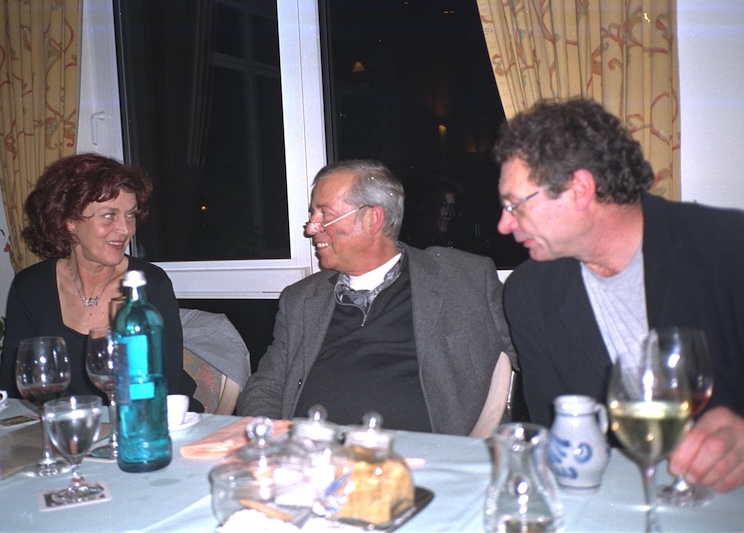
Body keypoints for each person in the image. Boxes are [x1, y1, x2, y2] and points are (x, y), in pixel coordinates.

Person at [495, 98, 744, 492]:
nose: (503, 224)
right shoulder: (530, 293)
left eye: (515, 205)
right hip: (614, 498)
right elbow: (555, 430)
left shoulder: (727, 247)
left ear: (579, 189)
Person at [237, 159, 515, 436]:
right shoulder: (301, 299)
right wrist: (277, 441)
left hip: (417, 454)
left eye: (324, 215)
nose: (310, 228)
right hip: (309, 452)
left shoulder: (462, 280)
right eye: (313, 215)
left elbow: (529, 353)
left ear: (373, 219)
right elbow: (265, 387)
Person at [0, 153, 198, 408]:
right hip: (66, 425)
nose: (125, 229)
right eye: (109, 215)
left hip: (146, 420)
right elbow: (15, 388)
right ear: (70, 221)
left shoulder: (148, 285)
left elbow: (164, 385)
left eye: (130, 215)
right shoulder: (30, 287)